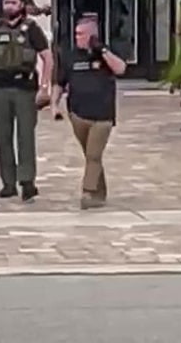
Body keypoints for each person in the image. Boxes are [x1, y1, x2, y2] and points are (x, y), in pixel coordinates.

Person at [0, 0, 53, 202]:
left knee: (25, 136)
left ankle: (27, 181)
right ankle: (8, 183)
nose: (9, 6)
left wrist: (45, 86)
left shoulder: (32, 29)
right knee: (3, 136)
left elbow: (48, 57)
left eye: (13, 2)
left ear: (21, 5)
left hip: (25, 88)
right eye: (6, 3)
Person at [51, 17, 126, 209]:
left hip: (102, 115)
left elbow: (121, 68)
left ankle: (88, 192)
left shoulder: (106, 53)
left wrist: (101, 50)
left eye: (81, 34)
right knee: (91, 155)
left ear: (92, 35)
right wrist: (54, 105)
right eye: (76, 34)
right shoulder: (70, 56)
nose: (77, 37)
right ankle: (100, 192)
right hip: (78, 114)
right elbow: (59, 83)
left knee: (93, 154)